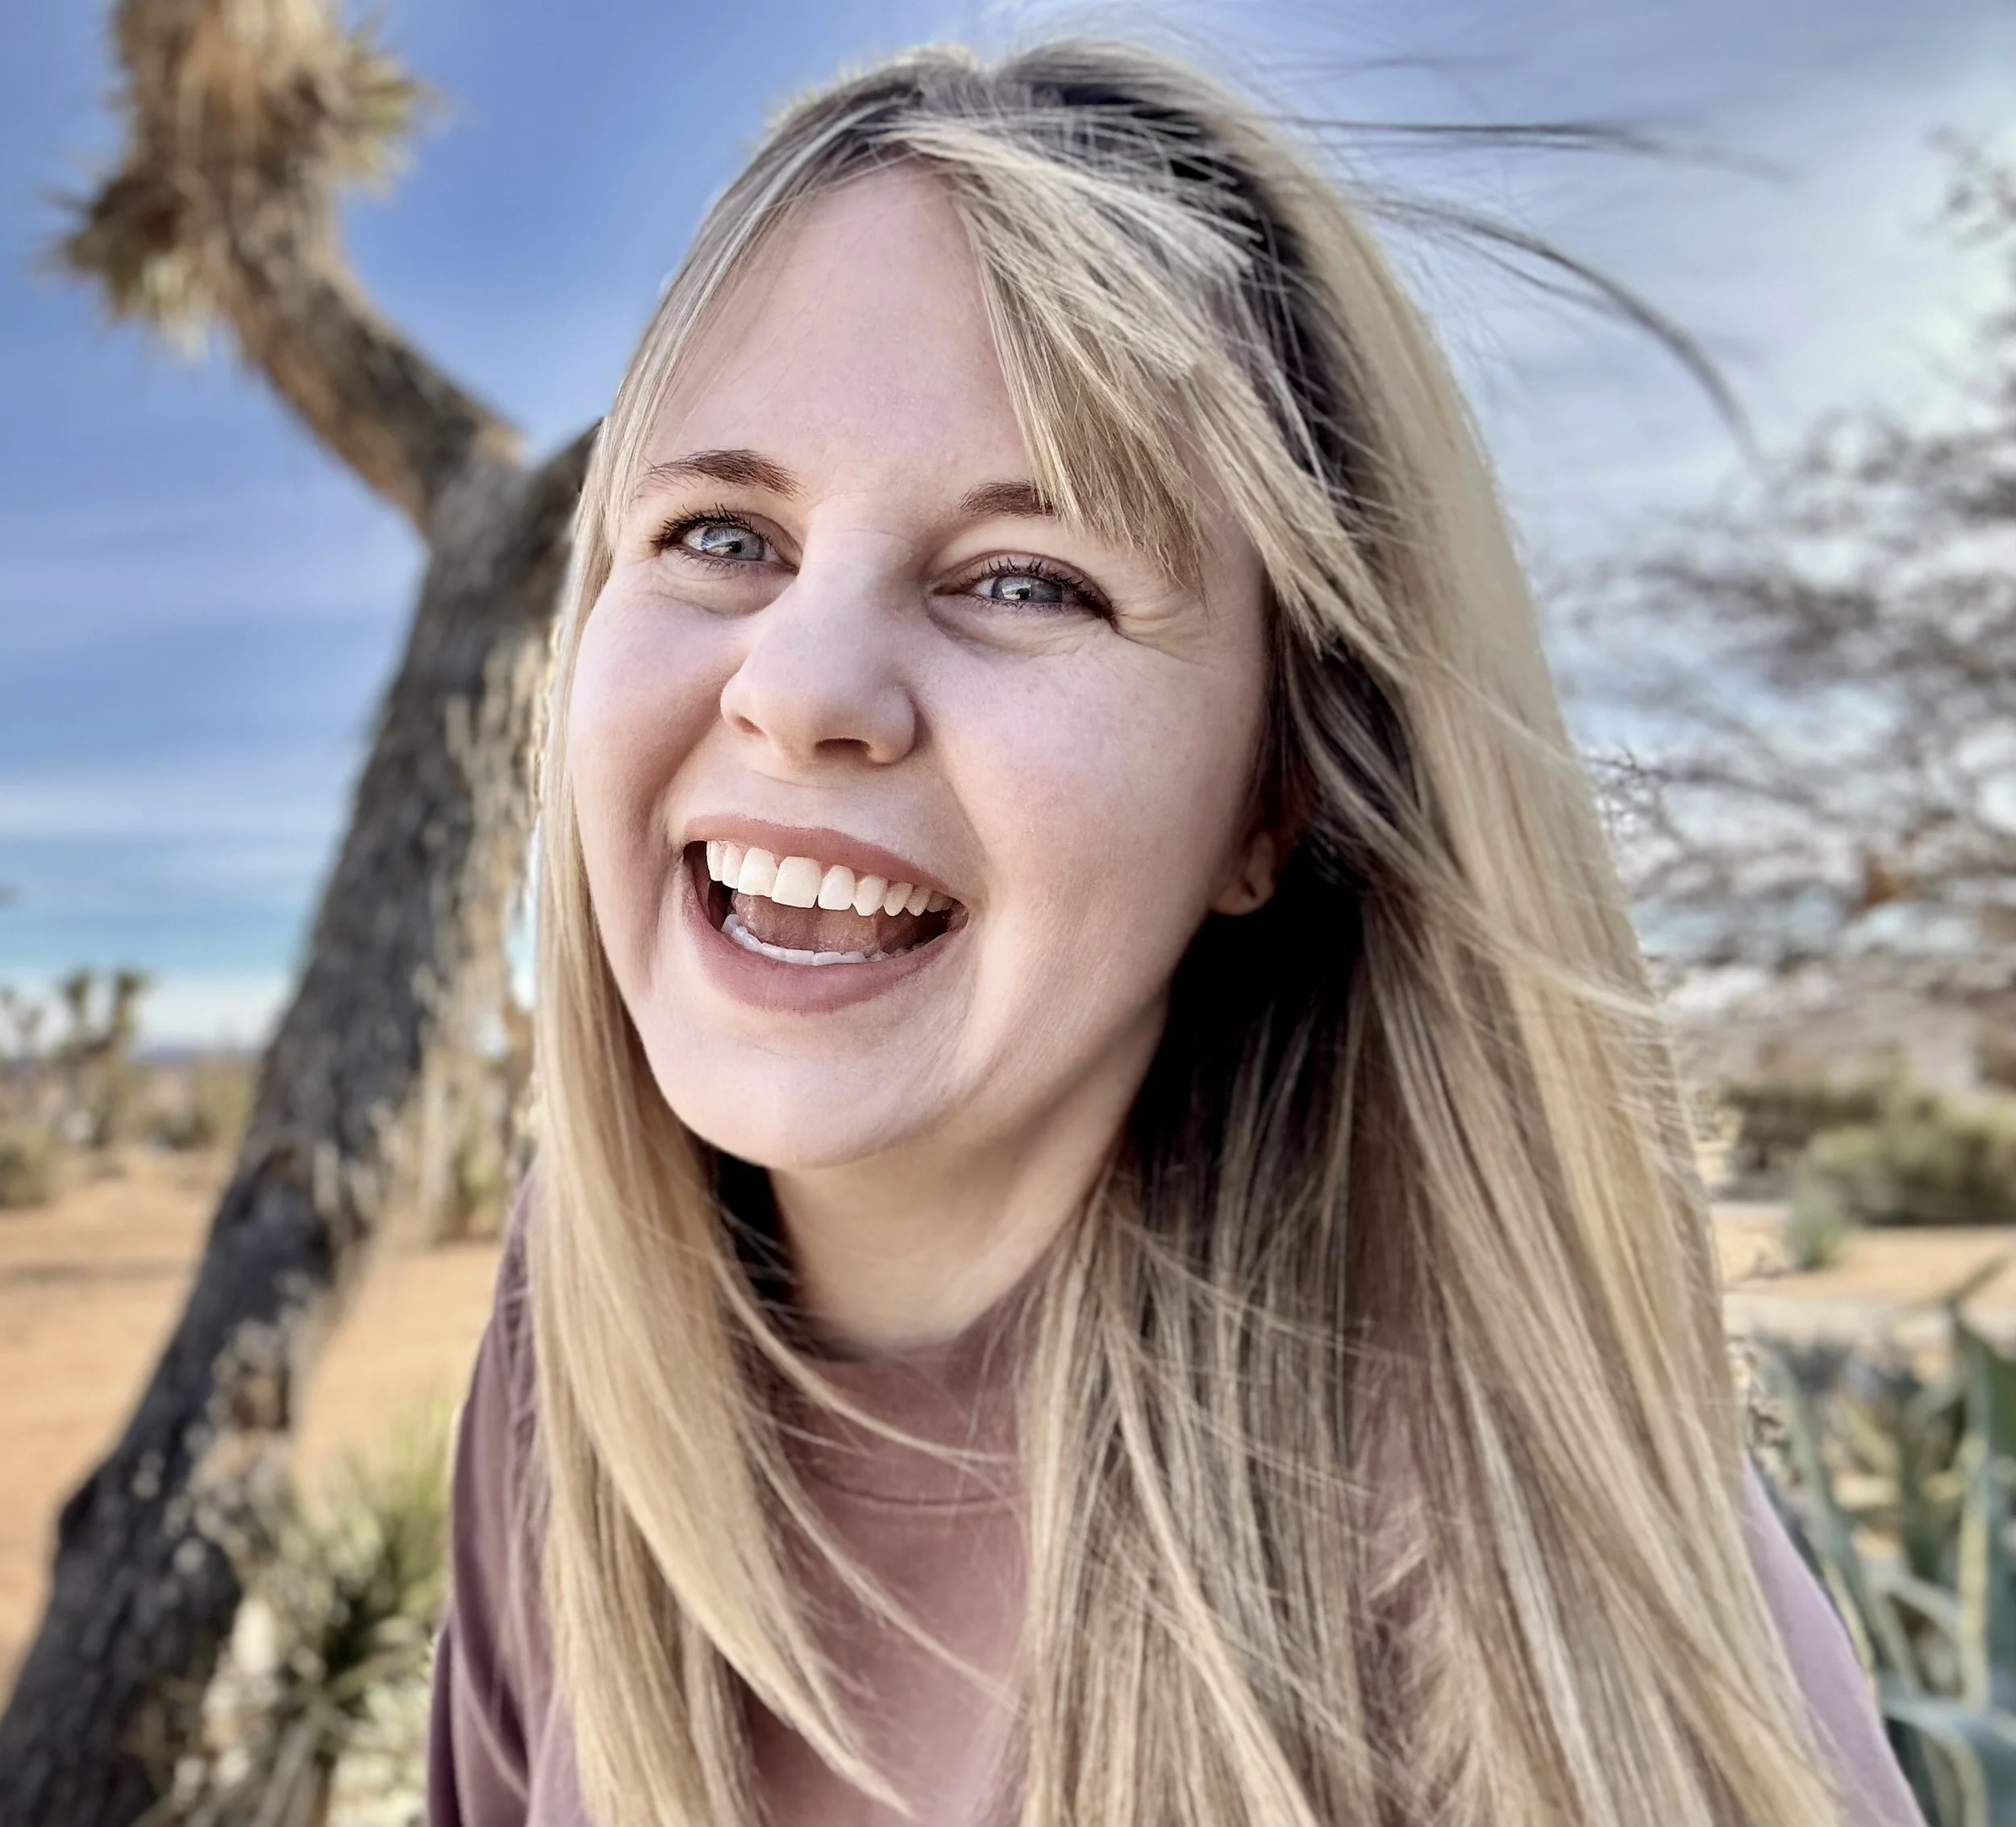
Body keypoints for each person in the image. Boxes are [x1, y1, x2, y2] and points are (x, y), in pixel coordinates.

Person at [427, 38, 1926, 1827]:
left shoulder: (1495, 1571)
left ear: (1267, 798)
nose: (803, 684)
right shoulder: (584, 1307)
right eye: (722, 533)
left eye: (1025, 578)